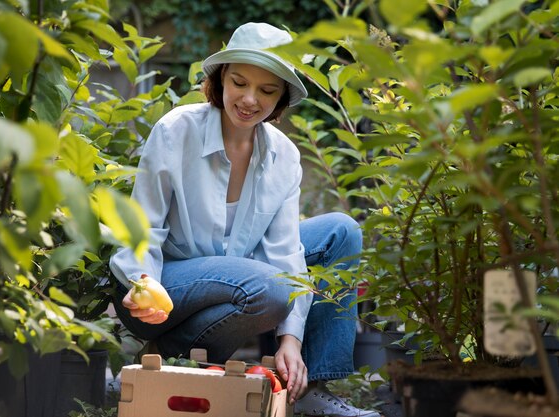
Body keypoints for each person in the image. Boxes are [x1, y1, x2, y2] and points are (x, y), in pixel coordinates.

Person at [109, 22, 380, 417]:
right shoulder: (176, 131)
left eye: (268, 90)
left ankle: (313, 389)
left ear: (282, 98)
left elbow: (286, 252)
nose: (250, 99)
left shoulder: (283, 157)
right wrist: (141, 283)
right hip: (161, 287)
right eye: (239, 82)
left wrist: (290, 340)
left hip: (240, 279)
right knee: (272, 288)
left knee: (342, 231)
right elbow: (143, 229)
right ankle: (170, 356)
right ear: (220, 79)